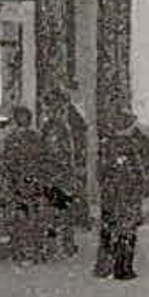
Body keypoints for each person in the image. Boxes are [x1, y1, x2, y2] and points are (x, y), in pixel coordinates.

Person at [94, 111, 149, 281]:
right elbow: (140, 172)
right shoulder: (133, 146)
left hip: (110, 196)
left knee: (108, 230)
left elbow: (100, 172)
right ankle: (123, 268)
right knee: (126, 232)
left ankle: (104, 267)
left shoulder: (107, 145)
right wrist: (141, 188)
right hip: (128, 196)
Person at [40, 87, 88, 257]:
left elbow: (74, 148)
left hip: (62, 172)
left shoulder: (69, 123)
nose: (49, 110)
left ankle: (65, 244)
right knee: (54, 210)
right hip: (54, 173)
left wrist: (77, 167)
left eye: (51, 106)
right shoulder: (50, 125)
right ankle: (54, 245)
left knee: (63, 209)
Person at [1, 105, 53, 260]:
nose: (21, 120)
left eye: (23, 117)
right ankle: (21, 247)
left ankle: (33, 247)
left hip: (30, 180)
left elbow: (42, 157)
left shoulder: (33, 137)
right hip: (20, 180)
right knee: (21, 214)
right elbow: (8, 159)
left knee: (32, 214)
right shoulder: (14, 137)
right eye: (19, 116)